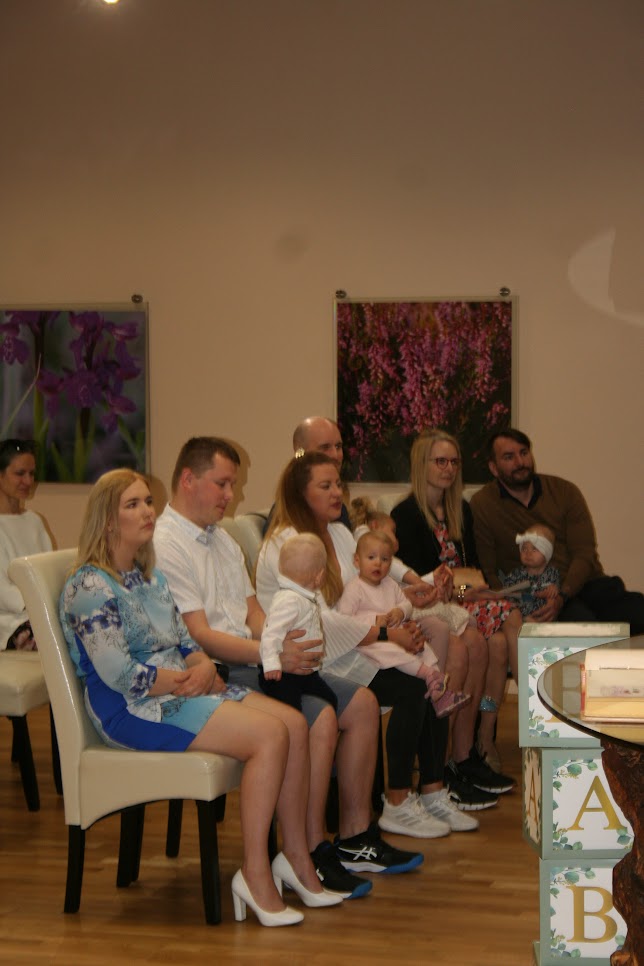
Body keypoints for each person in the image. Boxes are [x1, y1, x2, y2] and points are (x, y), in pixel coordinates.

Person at [59, 469, 342, 928]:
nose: (147, 511)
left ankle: (294, 857)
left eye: (147, 502)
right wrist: (185, 679)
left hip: (181, 686)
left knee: (293, 723)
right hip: (131, 708)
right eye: (133, 504)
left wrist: (202, 667)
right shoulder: (89, 586)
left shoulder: (149, 578)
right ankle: (254, 874)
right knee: (271, 735)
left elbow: (186, 640)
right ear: (107, 521)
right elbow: (119, 675)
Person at [154, 437, 422, 899]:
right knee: (317, 717)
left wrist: (280, 644)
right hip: (217, 667)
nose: (231, 494)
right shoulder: (167, 543)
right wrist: (271, 653)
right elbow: (199, 635)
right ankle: (310, 847)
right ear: (188, 479)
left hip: (256, 657)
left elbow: (254, 613)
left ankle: (355, 837)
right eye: (222, 484)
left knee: (361, 704)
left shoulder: (220, 540)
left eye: (232, 484)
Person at [256, 450, 482, 835]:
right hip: (316, 658)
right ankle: (397, 801)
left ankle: (432, 790)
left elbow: (371, 584)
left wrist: (405, 609)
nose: (337, 493)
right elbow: (319, 620)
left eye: (338, 484)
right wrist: (387, 634)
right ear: (300, 492)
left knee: (433, 680)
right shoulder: (288, 544)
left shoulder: (339, 533)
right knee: (413, 687)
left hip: (356, 644)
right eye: (325, 486)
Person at [391, 429, 519, 789]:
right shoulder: (406, 515)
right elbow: (420, 584)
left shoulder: (460, 509)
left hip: (459, 601)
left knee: (501, 636)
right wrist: (463, 589)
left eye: (454, 462)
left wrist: (467, 590)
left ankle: (479, 744)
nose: (448, 468)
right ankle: (453, 757)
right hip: (428, 607)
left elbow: (470, 573)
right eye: (440, 461)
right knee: (486, 640)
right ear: (422, 465)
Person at [470, 428, 644, 633]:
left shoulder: (564, 491)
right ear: (493, 467)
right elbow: (488, 570)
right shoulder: (483, 504)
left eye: (524, 453)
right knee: (583, 628)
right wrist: (513, 604)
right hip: (535, 593)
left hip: (583, 584)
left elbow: (584, 554)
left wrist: (563, 594)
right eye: (509, 457)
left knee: (637, 610)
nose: (520, 462)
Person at [337, 530, 471, 718]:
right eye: (371, 558)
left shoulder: (389, 584)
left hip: (396, 632)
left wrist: (401, 611)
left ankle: (437, 688)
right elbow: (345, 621)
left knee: (426, 650)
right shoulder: (354, 588)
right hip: (373, 640)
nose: (378, 563)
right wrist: (373, 621)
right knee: (394, 652)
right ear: (357, 561)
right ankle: (429, 676)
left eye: (385, 559)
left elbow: (406, 604)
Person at [259, 533, 338, 712]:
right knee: (292, 711)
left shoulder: (302, 597)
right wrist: (271, 663)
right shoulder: (289, 600)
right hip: (282, 675)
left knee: (330, 701)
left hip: (305, 673)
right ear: (320, 576)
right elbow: (270, 632)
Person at [0, 439, 52, 651]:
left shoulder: (34, 521)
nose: (28, 480)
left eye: (31, 473)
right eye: (20, 473)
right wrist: (41, 605)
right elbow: (3, 593)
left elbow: (48, 572)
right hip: (9, 623)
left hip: (39, 613)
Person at [501, 524, 561, 619]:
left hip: (544, 617)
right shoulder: (515, 574)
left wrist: (553, 590)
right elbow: (506, 593)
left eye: (534, 549)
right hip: (520, 617)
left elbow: (555, 592)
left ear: (546, 553)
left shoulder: (552, 573)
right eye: (524, 548)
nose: (528, 553)